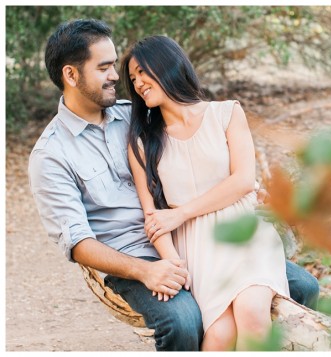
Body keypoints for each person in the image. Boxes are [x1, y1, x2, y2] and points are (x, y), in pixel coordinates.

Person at [28, 18, 319, 352]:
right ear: (71, 75)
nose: (118, 78)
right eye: (105, 67)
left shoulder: (134, 117)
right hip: (135, 256)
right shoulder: (51, 155)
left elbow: (203, 152)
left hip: (195, 235)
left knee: (304, 286)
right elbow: (77, 243)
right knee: (183, 321)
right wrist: (145, 271)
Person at [122, 35, 290, 351]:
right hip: (195, 246)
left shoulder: (226, 113)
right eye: (133, 79)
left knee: (252, 313)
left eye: (143, 72)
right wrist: (173, 261)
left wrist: (181, 212)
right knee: (220, 336)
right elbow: (153, 217)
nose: (139, 83)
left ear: (168, 65)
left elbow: (243, 180)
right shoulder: (142, 142)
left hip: (242, 230)